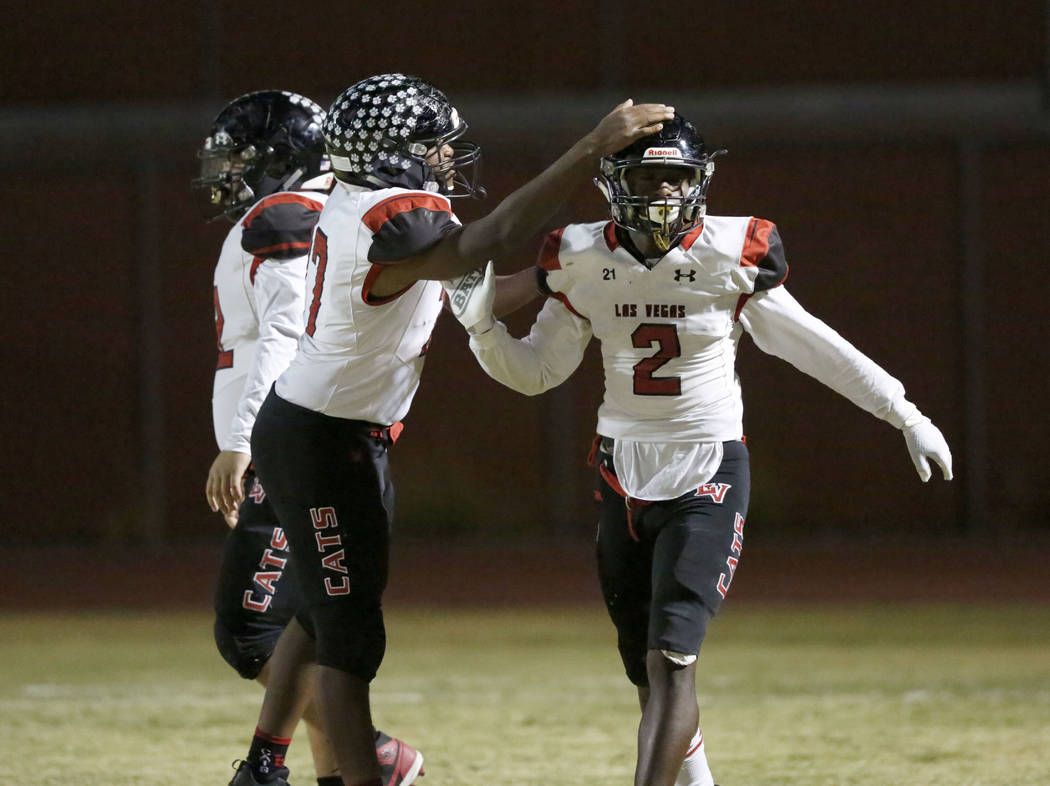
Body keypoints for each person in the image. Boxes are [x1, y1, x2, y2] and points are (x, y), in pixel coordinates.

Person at [452, 113, 953, 786]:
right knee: (644, 666)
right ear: (612, 186)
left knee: (670, 658)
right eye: (647, 176)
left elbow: (812, 344)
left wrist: (904, 411)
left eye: (674, 177)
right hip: (620, 473)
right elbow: (537, 372)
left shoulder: (729, 253)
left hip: (706, 469)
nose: (661, 192)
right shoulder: (580, 256)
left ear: (699, 182)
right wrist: (483, 329)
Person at [238, 72, 674, 786]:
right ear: (393, 151)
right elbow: (491, 237)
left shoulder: (369, 207)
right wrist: (591, 148)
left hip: (332, 432)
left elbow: (471, 291)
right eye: (432, 144)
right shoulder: (392, 217)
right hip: (321, 440)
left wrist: (566, 269)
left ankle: (261, 768)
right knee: (350, 638)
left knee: (326, 615)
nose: (445, 156)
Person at [192, 89, 424, 786]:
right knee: (314, 618)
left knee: (255, 627)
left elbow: (286, 335)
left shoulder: (286, 215)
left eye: (237, 159)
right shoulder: (293, 215)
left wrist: (242, 439)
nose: (224, 174)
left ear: (279, 159)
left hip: (298, 444)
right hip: (310, 440)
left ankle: (360, 756)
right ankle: (334, 766)